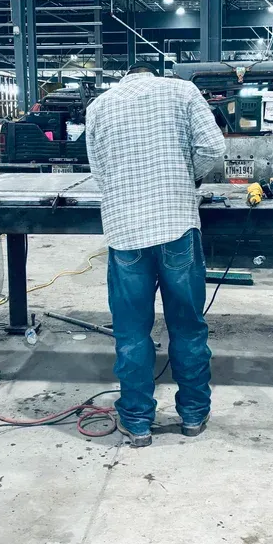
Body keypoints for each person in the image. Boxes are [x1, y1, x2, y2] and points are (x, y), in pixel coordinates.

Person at [86, 63, 226, 447]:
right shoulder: (182, 92)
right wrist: (187, 175)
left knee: (131, 332)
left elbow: (98, 170)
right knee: (187, 325)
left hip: (125, 231)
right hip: (176, 224)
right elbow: (213, 147)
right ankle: (194, 415)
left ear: (125, 76)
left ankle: (137, 421)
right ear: (155, 73)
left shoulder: (99, 105)